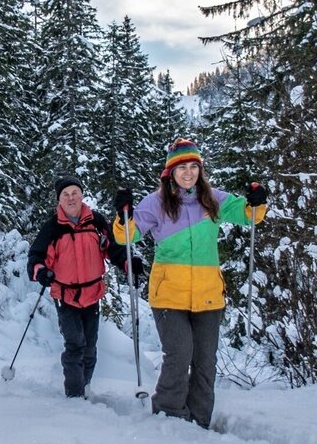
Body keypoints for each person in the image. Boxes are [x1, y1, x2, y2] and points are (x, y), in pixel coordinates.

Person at [112, 139, 268, 428]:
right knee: (180, 353)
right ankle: (170, 416)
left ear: (200, 169)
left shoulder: (212, 199)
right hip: (169, 294)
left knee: (205, 362)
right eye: (181, 167)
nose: (188, 173)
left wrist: (257, 202)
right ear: (170, 171)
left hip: (208, 294)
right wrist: (123, 215)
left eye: (193, 167)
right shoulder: (156, 203)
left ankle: (199, 422)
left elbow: (248, 215)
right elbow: (126, 236)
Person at [27, 175, 143, 398]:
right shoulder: (52, 227)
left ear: (81, 195)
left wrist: (129, 263)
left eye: (74, 193)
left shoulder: (96, 222)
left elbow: (114, 249)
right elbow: (36, 256)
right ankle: (74, 395)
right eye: (65, 195)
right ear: (59, 200)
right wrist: (41, 271)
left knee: (90, 347)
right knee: (75, 344)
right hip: (65, 295)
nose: (71, 198)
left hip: (92, 293)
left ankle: (85, 384)